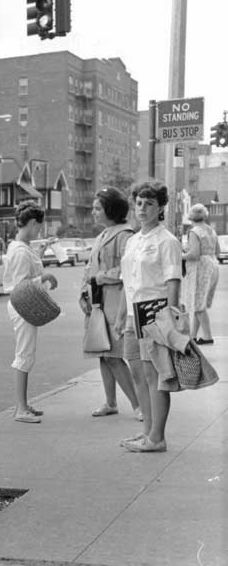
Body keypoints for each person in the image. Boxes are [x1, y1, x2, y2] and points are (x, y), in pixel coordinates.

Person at [115, 181, 182, 452]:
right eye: (139, 202)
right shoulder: (132, 240)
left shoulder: (167, 241)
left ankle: (158, 437)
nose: (142, 208)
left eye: (149, 203)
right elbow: (126, 282)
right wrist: (121, 317)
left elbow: (173, 280)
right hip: (133, 315)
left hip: (155, 314)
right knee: (139, 376)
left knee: (156, 377)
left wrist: (171, 317)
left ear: (161, 207)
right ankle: (147, 433)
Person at [79, 188, 142, 421]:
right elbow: (89, 269)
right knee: (103, 354)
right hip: (98, 303)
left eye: (98, 208)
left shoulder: (125, 235)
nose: (94, 212)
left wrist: (101, 277)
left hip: (115, 302)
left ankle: (139, 405)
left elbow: (129, 270)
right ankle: (111, 401)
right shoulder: (104, 234)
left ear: (111, 210)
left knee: (114, 356)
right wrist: (83, 292)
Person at [3, 200, 58, 424]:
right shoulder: (20, 251)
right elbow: (20, 285)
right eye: (39, 226)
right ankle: (20, 408)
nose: (40, 231)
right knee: (24, 354)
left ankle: (23, 404)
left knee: (26, 353)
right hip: (22, 305)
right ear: (33, 223)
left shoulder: (22, 248)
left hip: (23, 304)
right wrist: (44, 278)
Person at [182, 203, 220, 345]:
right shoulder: (211, 230)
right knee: (201, 303)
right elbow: (217, 251)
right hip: (213, 265)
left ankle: (208, 336)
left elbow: (194, 254)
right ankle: (193, 336)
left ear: (191, 216)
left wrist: (179, 255)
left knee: (198, 305)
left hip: (201, 268)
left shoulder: (194, 231)